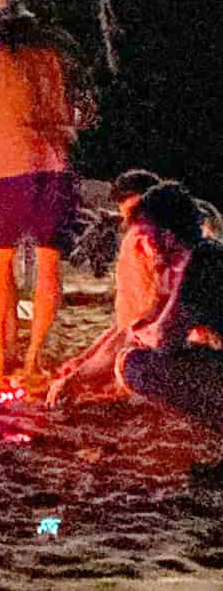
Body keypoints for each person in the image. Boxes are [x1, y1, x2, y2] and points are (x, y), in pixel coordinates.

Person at [0, 0, 80, 383]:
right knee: (49, 265)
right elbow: (64, 111)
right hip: (55, 168)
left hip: (11, 168)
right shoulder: (48, 56)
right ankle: (33, 360)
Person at [45, 169, 161, 406]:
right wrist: (84, 359)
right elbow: (125, 324)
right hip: (149, 338)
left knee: (123, 371)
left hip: (160, 349)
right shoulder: (142, 237)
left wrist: (77, 378)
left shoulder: (147, 241)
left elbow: (137, 329)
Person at [116, 183, 223, 433]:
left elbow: (165, 338)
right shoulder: (206, 254)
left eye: (147, 234)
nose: (143, 243)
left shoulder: (204, 261)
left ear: (167, 235)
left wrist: (140, 334)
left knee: (132, 363)